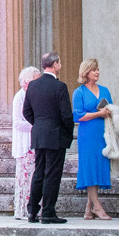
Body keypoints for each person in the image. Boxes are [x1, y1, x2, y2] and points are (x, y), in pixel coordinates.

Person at [25, 52, 73, 224]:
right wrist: (68, 131)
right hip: (55, 135)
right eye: (59, 62)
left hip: (39, 134)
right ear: (54, 65)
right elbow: (66, 114)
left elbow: (27, 112)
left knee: (39, 173)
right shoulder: (59, 87)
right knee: (52, 174)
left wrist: (39, 124)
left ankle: (32, 211)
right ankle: (48, 212)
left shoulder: (33, 86)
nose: (60, 65)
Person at [71, 60, 114, 220]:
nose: (97, 72)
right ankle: (97, 207)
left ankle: (88, 208)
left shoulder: (104, 90)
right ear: (86, 72)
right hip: (87, 134)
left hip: (102, 133)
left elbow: (111, 108)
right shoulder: (79, 92)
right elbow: (78, 115)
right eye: (94, 70)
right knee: (89, 168)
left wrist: (108, 112)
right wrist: (98, 114)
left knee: (98, 167)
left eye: (98, 69)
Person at [9, 66, 40, 222]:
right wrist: (36, 126)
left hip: (36, 143)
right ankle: (22, 210)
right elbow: (17, 122)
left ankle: (35, 209)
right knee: (25, 179)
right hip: (25, 144)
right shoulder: (20, 97)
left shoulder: (35, 95)